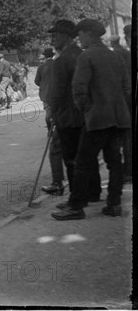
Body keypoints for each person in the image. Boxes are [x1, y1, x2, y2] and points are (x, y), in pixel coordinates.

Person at [53, 19, 131, 220]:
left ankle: (76, 206)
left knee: (82, 162)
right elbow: (126, 87)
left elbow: (78, 89)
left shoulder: (87, 57)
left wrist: (86, 109)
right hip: (118, 118)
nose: (79, 39)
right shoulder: (115, 57)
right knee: (115, 162)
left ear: (89, 34)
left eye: (81, 35)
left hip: (97, 119)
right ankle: (114, 204)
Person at [47, 19, 101, 204]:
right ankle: (94, 192)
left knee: (71, 159)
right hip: (86, 115)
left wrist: (51, 113)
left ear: (64, 36)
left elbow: (56, 92)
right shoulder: (82, 54)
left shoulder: (61, 60)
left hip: (68, 117)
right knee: (88, 156)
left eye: (55, 35)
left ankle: (77, 198)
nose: (52, 40)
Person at [35, 47, 65, 196]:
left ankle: (51, 130)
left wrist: (43, 86)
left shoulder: (41, 67)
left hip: (47, 96)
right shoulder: (57, 64)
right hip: (57, 97)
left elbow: (36, 81)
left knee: (49, 115)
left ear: (44, 56)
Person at [112, 29, 133, 183]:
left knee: (126, 139)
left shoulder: (116, 55)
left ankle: (128, 171)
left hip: (125, 101)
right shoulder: (127, 53)